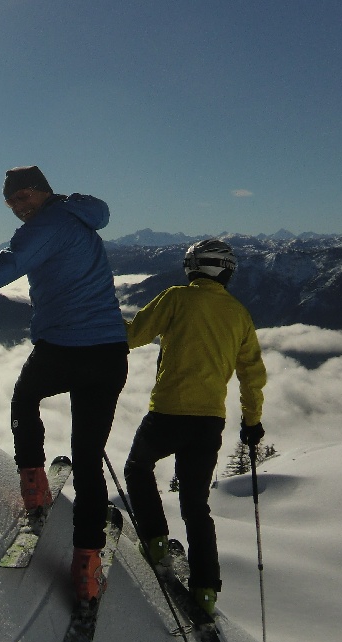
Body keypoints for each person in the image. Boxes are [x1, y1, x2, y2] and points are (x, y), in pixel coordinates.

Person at [0, 166, 128, 603]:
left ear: (42, 191)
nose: (18, 207)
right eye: (11, 202)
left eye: (24, 197)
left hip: (64, 349)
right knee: (88, 458)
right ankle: (88, 567)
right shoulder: (77, 216)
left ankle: (34, 489)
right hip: (109, 353)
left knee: (24, 400)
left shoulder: (46, 226)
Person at [121, 239, 267, 616]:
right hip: (209, 422)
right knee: (195, 505)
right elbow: (252, 374)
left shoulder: (176, 298)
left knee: (137, 467)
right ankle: (205, 588)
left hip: (168, 412)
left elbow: (131, 336)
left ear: (193, 267)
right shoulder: (239, 314)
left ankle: (154, 539)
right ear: (227, 271)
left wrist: (93, 320)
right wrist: (252, 421)